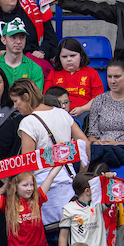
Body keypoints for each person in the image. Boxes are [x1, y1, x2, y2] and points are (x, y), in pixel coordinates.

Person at [13, 78, 87, 224]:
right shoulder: (62, 113)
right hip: (68, 183)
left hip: (45, 189)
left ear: (26, 97)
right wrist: (81, 175)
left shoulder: (28, 122)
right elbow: (85, 144)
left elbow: (27, 164)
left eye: (16, 101)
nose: (15, 106)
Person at [58, 172, 111, 246]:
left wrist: (109, 180)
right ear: (87, 191)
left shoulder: (98, 204)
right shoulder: (69, 209)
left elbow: (112, 194)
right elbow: (63, 237)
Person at [44, 38, 102, 117]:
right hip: (58, 115)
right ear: (59, 58)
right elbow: (47, 97)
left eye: (73, 56)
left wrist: (83, 109)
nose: (69, 59)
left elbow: (98, 99)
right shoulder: (54, 73)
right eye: (64, 57)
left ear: (81, 56)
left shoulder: (91, 72)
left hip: (85, 114)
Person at [0, 18, 45, 87]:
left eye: (22, 37)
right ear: (3, 40)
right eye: (13, 37)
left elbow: (36, 97)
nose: (19, 41)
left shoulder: (35, 68)